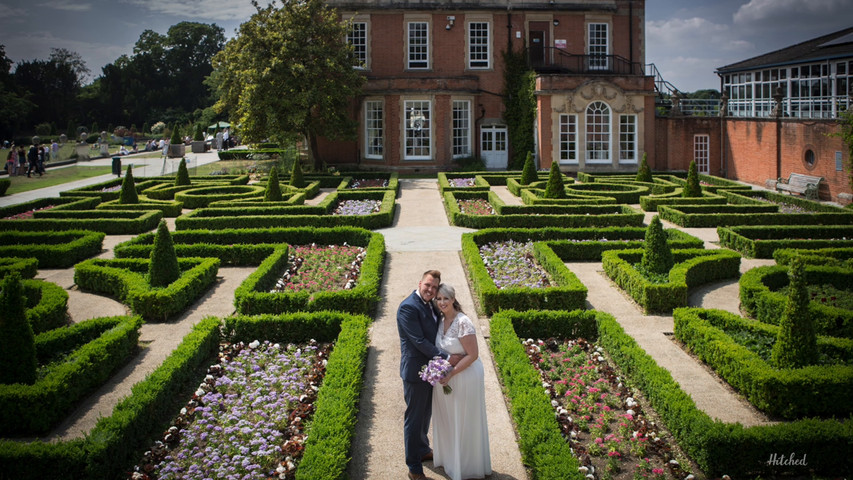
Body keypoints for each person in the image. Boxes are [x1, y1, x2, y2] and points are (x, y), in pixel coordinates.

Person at [397, 270, 462, 480]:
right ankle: (414, 467)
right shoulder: (408, 307)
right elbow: (418, 341)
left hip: (430, 371)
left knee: (426, 414)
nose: (431, 290)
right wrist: (446, 356)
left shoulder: (429, 303)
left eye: (435, 287)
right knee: (414, 419)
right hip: (415, 372)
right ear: (420, 283)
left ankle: (423, 449)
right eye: (428, 285)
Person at [431, 283, 491, 480]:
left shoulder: (463, 322)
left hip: (464, 377)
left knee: (463, 421)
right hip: (446, 378)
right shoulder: (440, 320)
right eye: (438, 299)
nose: (441, 302)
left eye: (445, 298)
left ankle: (467, 467)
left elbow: (473, 355)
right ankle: (450, 460)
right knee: (449, 420)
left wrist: (451, 373)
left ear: (453, 299)